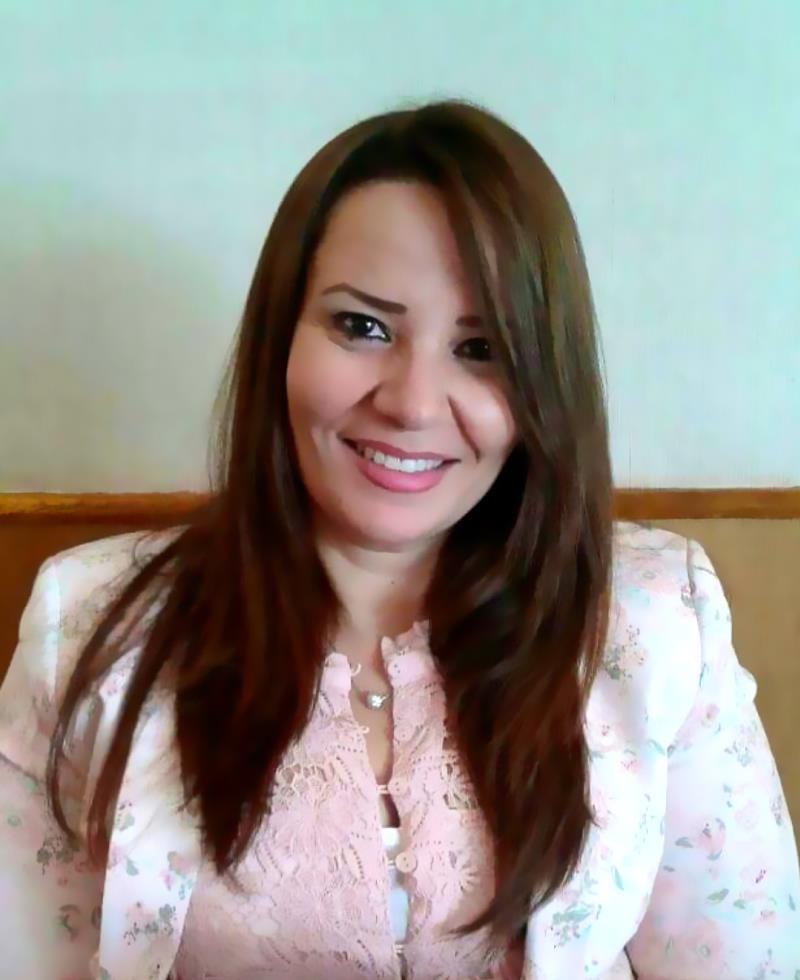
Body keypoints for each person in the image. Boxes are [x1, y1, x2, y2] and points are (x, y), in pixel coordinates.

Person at [0, 98, 797, 980]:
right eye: (363, 326)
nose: (413, 404)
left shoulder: (655, 620)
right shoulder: (94, 622)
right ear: (281, 337)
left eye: (481, 348)